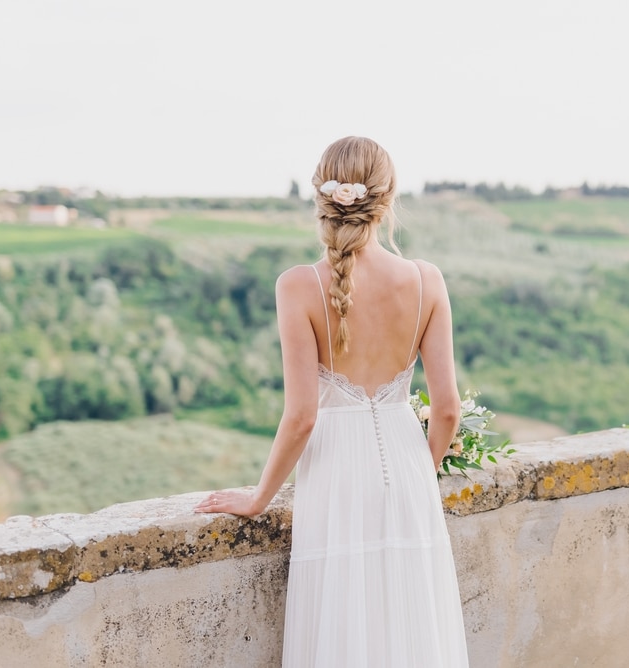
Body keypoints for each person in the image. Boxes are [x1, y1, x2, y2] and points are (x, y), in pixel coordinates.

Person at [194, 136, 470, 667]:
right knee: (412, 632)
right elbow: (448, 409)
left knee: (344, 632)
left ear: (321, 199)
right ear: (387, 201)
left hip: (335, 479)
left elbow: (301, 417)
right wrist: (421, 468)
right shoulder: (426, 280)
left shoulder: (297, 287)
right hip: (408, 475)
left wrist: (258, 498)